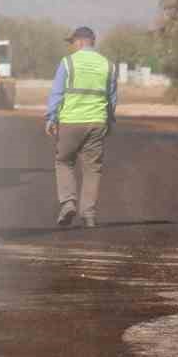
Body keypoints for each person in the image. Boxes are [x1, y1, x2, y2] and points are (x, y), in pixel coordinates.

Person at [45, 26, 117, 228]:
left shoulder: (68, 63)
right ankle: (89, 214)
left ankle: (68, 203)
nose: (71, 47)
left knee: (64, 161)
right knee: (92, 168)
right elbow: (111, 98)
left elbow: (57, 93)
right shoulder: (108, 65)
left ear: (79, 42)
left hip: (70, 121)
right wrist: (109, 121)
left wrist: (51, 118)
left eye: (72, 43)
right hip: (97, 122)